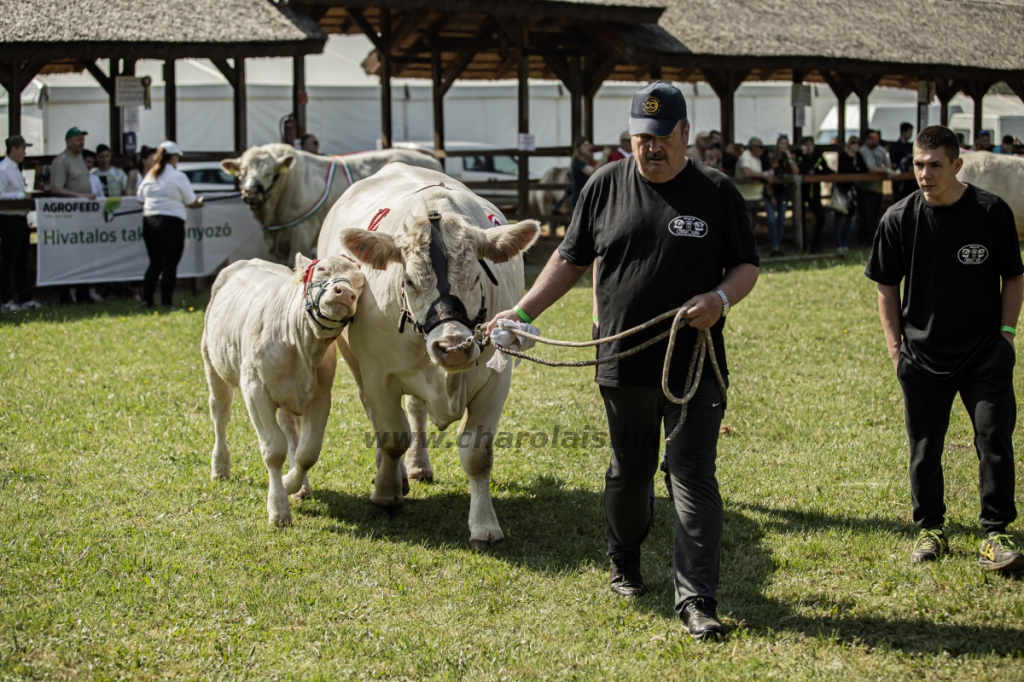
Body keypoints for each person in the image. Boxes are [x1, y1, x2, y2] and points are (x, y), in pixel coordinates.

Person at [489, 81, 760, 639]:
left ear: (686, 133)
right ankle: (624, 559)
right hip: (622, 363)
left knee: (691, 474)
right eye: (641, 138)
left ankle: (697, 598)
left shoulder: (717, 191)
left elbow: (746, 266)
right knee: (630, 472)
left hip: (693, 366)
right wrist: (522, 312)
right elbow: (568, 260)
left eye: (661, 138)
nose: (651, 149)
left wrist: (720, 298)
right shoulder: (603, 186)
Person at [866, 124, 1024, 572]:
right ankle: (931, 529)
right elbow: (885, 287)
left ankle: (995, 533)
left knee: (994, 437)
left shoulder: (991, 212)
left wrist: (1007, 335)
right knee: (925, 446)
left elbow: (1014, 275)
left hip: (983, 354)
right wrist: (897, 350)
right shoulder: (899, 218)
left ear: (957, 165)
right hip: (922, 355)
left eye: (935, 165)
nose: (924, 174)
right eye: (918, 164)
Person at [137, 141, 204, 309]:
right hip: (171, 223)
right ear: (173, 158)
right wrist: (200, 202)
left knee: (154, 263)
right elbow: (191, 201)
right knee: (169, 264)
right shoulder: (178, 176)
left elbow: (140, 198)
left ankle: (147, 301)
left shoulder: (150, 175)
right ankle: (166, 302)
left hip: (149, 222)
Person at [0, 135, 41, 312]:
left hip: (21, 219)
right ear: (13, 149)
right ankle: (5, 300)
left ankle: (25, 299)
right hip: (8, 219)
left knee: (22, 261)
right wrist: (22, 197)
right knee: (8, 262)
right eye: (23, 148)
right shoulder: (2, 169)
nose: (25, 152)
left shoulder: (16, 168)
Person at [795, 136, 832, 254]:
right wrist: (805, 158)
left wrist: (816, 172)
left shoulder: (818, 155)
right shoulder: (798, 155)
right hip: (799, 193)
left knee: (821, 217)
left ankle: (815, 245)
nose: (808, 147)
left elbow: (826, 169)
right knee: (800, 220)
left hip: (814, 193)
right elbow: (799, 169)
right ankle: (802, 246)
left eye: (810, 144)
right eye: (805, 145)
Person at [857, 130, 891, 247]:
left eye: (877, 137)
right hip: (864, 188)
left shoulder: (881, 150)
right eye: (873, 137)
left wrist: (887, 169)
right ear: (867, 139)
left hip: (877, 188)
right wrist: (885, 170)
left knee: (875, 215)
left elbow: (889, 165)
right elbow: (871, 168)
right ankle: (864, 242)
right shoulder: (863, 151)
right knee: (865, 217)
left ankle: (874, 242)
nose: (875, 139)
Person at [765, 135, 798, 256]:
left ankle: (778, 247)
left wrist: (789, 155)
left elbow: (795, 171)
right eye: (782, 143)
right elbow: (768, 176)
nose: (784, 146)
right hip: (770, 193)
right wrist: (771, 196)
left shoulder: (789, 158)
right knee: (771, 220)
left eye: (786, 144)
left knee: (781, 220)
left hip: (784, 194)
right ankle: (775, 246)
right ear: (777, 144)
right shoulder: (771, 157)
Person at [833, 136, 865, 254]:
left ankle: (845, 244)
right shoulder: (843, 156)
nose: (856, 145)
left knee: (851, 219)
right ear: (849, 144)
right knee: (839, 218)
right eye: (853, 143)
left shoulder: (858, 156)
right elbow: (847, 169)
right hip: (841, 190)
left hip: (852, 191)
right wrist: (855, 169)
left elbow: (863, 169)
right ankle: (839, 244)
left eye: (858, 143)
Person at [736, 137, 773, 237]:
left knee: (752, 226)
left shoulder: (757, 159)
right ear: (753, 147)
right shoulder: (745, 156)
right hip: (745, 198)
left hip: (754, 197)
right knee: (745, 227)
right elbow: (747, 172)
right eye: (760, 147)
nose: (762, 149)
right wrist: (763, 175)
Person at [569, 137, 610, 210]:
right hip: (579, 199)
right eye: (585, 146)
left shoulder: (585, 162)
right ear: (579, 149)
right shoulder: (578, 163)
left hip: (587, 198)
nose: (589, 147)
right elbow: (593, 172)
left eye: (589, 145)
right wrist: (604, 156)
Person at [889, 123, 916, 203]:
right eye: (909, 132)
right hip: (899, 180)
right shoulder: (895, 147)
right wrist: (906, 169)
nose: (911, 134)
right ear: (903, 132)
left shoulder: (911, 147)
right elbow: (893, 164)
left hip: (911, 181)